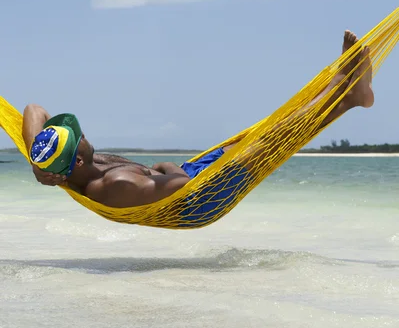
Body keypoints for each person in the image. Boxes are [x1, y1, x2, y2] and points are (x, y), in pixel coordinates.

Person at [24, 30, 374, 210]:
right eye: (77, 135)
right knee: (273, 137)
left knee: (270, 132)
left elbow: (33, 110)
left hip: (188, 176)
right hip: (200, 198)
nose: (81, 132)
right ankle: (339, 85)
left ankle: (350, 99)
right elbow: (182, 188)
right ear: (79, 158)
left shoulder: (78, 166)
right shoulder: (113, 186)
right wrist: (167, 167)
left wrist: (36, 162)